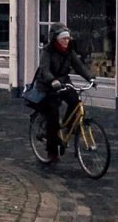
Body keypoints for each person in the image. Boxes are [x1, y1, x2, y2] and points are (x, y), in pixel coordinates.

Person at [35, 24, 94, 164]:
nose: (66, 41)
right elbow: (44, 69)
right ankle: (52, 151)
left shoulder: (69, 51)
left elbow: (78, 66)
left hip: (63, 81)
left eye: (68, 38)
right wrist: (52, 80)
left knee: (75, 101)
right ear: (56, 39)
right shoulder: (47, 51)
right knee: (53, 116)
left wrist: (90, 78)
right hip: (48, 85)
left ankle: (68, 127)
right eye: (63, 38)